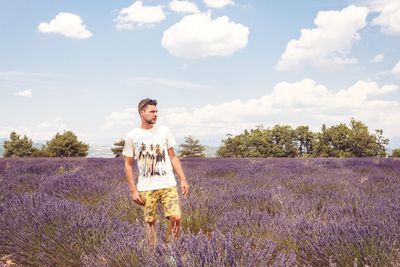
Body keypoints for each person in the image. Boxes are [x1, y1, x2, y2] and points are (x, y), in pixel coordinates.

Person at [122, 98, 189, 246]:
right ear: (142, 112)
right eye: (152, 111)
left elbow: (173, 156)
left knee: (176, 217)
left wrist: (183, 179)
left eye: (156, 111)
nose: (155, 114)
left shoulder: (164, 131)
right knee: (150, 221)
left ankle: (173, 250)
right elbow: (127, 164)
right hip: (146, 187)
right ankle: (152, 253)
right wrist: (133, 191)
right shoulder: (132, 136)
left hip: (168, 184)